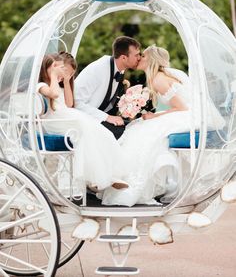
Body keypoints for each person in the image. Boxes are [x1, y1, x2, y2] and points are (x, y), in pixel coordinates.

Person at [101, 45, 225, 206]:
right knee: (138, 127)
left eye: (143, 56)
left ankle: (129, 179)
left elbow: (182, 108)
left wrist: (154, 116)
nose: (139, 58)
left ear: (151, 60)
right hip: (184, 112)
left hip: (188, 115)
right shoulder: (157, 77)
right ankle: (119, 175)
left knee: (142, 131)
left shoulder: (158, 79)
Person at [37, 52, 128, 191]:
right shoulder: (42, 85)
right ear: (51, 66)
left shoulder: (60, 85)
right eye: (63, 71)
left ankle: (108, 174)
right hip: (53, 120)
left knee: (99, 132)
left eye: (68, 75)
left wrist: (67, 82)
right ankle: (92, 177)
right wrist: (54, 76)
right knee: (85, 126)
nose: (63, 76)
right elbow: (54, 94)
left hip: (67, 117)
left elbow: (68, 103)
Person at [74, 36, 141, 139]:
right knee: (129, 136)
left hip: (100, 119)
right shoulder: (97, 70)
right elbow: (76, 103)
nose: (139, 58)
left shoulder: (120, 69)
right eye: (136, 55)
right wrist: (107, 117)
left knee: (136, 128)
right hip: (85, 121)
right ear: (123, 57)